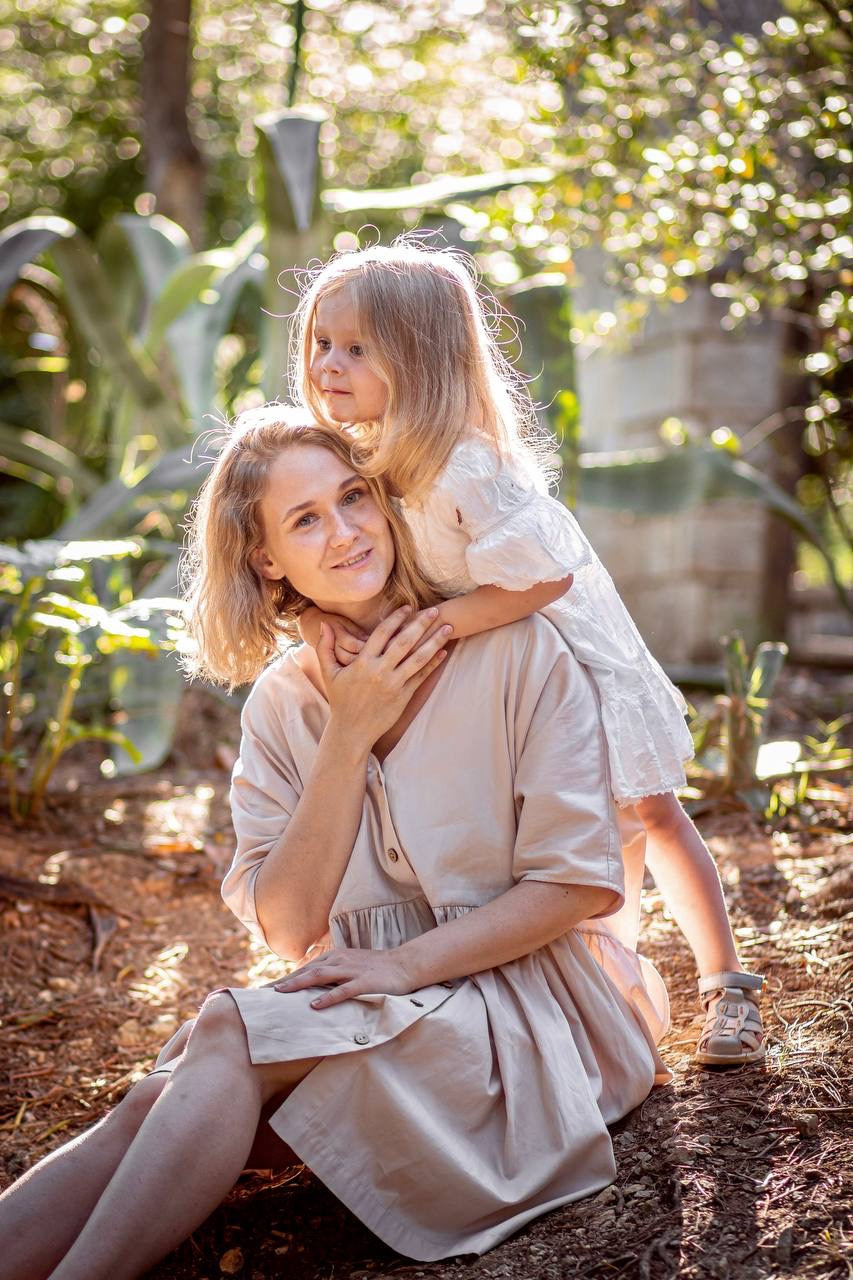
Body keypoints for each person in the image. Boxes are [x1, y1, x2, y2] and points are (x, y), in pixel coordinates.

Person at [0, 411, 668, 1279]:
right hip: (372, 1016)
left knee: (227, 1033)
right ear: (266, 558)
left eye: (353, 497)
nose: (346, 531)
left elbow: (574, 886)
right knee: (159, 1099)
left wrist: (400, 966)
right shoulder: (281, 703)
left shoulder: (518, 650)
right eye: (305, 518)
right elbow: (287, 926)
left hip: (532, 1014)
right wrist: (348, 733)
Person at [291, 238, 765, 1067]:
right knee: (578, 846)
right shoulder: (366, 458)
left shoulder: (462, 464)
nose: (329, 364)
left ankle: (727, 984)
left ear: (420, 359)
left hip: (576, 662)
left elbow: (542, 580)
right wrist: (310, 619)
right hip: (512, 681)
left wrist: (436, 629)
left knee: (644, 813)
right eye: (322, 343)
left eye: (357, 348)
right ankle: (609, 989)